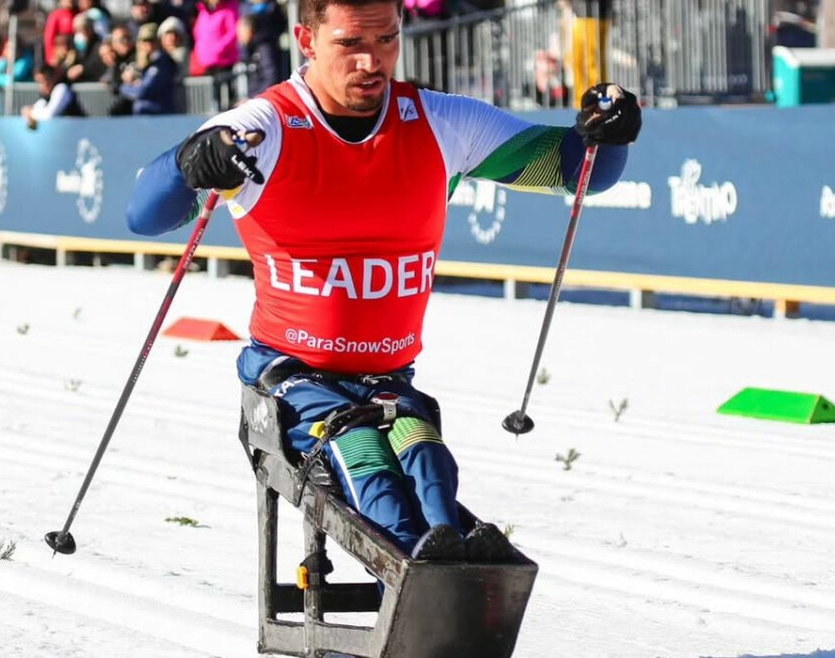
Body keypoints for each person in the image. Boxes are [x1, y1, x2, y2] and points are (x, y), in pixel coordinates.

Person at [126, 0, 640, 561]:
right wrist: (189, 162)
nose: (372, 61)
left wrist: (604, 133)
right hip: (293, 378)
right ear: (306, 39)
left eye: (387, 40)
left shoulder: (442, 123)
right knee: (363, 457)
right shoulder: (266, 126)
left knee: (426, 455)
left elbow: (572, 170)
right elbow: (145, 215)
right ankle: (418, 585)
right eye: (350, 44)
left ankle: (445, 569)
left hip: (388, 377)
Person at [119, 22, 179, 114]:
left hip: (161, 115)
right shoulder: (146, 62)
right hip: (147, 115)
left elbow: (142, 91)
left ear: (158, 41)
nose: (148, 45)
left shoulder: (162, 62)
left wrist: (123, 87)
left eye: (151, 40)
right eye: (144, 41)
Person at [570, 0, 611, 109]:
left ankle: (596, 100)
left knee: (592, 62)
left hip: (595, 15)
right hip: (579, 15)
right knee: (577, 60)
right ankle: (580, 102)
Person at [21, 64, 86, 129]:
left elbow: (49, 115)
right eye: (38, 82)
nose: (41, 85)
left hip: (79, 131)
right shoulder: (45, 97)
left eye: (42, 81)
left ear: (52, 78)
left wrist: (31, 113)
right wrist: (28, 111)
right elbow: (33, 108)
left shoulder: (62, 88)